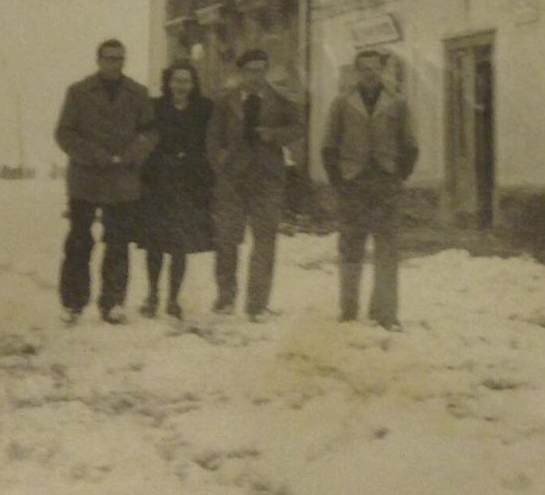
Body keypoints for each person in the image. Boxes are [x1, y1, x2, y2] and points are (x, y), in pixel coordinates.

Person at [53, 38, 158, 324]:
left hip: (122, 181)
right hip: (86, 180)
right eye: (109, 58)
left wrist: (131, 154)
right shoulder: (78, 92)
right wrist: (95, 155)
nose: (115, 64)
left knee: (118, 241)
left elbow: (150, 132)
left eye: (120, 58)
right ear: (98, 60)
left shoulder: (137, 93)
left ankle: (113, 302)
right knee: (79, 240)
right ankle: (73, 303)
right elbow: (64, 134)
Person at [319, 50, 419, 330]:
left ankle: (385, 313)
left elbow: (410, 145)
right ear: (356, 72)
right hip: (353, 184)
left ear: (382, 70)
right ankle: (348, 310)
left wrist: (398, 175)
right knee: (351, 248)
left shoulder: (397, 102)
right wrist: (339, 181)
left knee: (387, 249)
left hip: (385, 184)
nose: (370, 74)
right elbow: (328, 146)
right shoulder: (342, 103)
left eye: (375, 68)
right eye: (364, 69)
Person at [205, 47, 303, 320]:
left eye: (261, 70)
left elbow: (298, 127)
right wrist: (220, 165)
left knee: (264, 242)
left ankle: (257, 304)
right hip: (233, 181)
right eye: (250, 71)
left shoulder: (279, 99)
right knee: (227, 240)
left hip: (267, 179)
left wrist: (274, 134)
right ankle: (225, 297)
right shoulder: (225, 100)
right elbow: (212, 138)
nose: (256, 76)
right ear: (241, 73)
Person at [135, 62, 214, 320]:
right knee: (155, 244)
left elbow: (209, 143)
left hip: (188, 185)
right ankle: (152, 295)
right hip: (157, 183)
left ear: (193, 84)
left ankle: (173, 299)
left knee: (180, 245)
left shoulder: (203, 109)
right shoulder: (155, 107)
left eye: (186, 81)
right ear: (168, 82)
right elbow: (144, 140)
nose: (181, 86)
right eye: (177, 80)